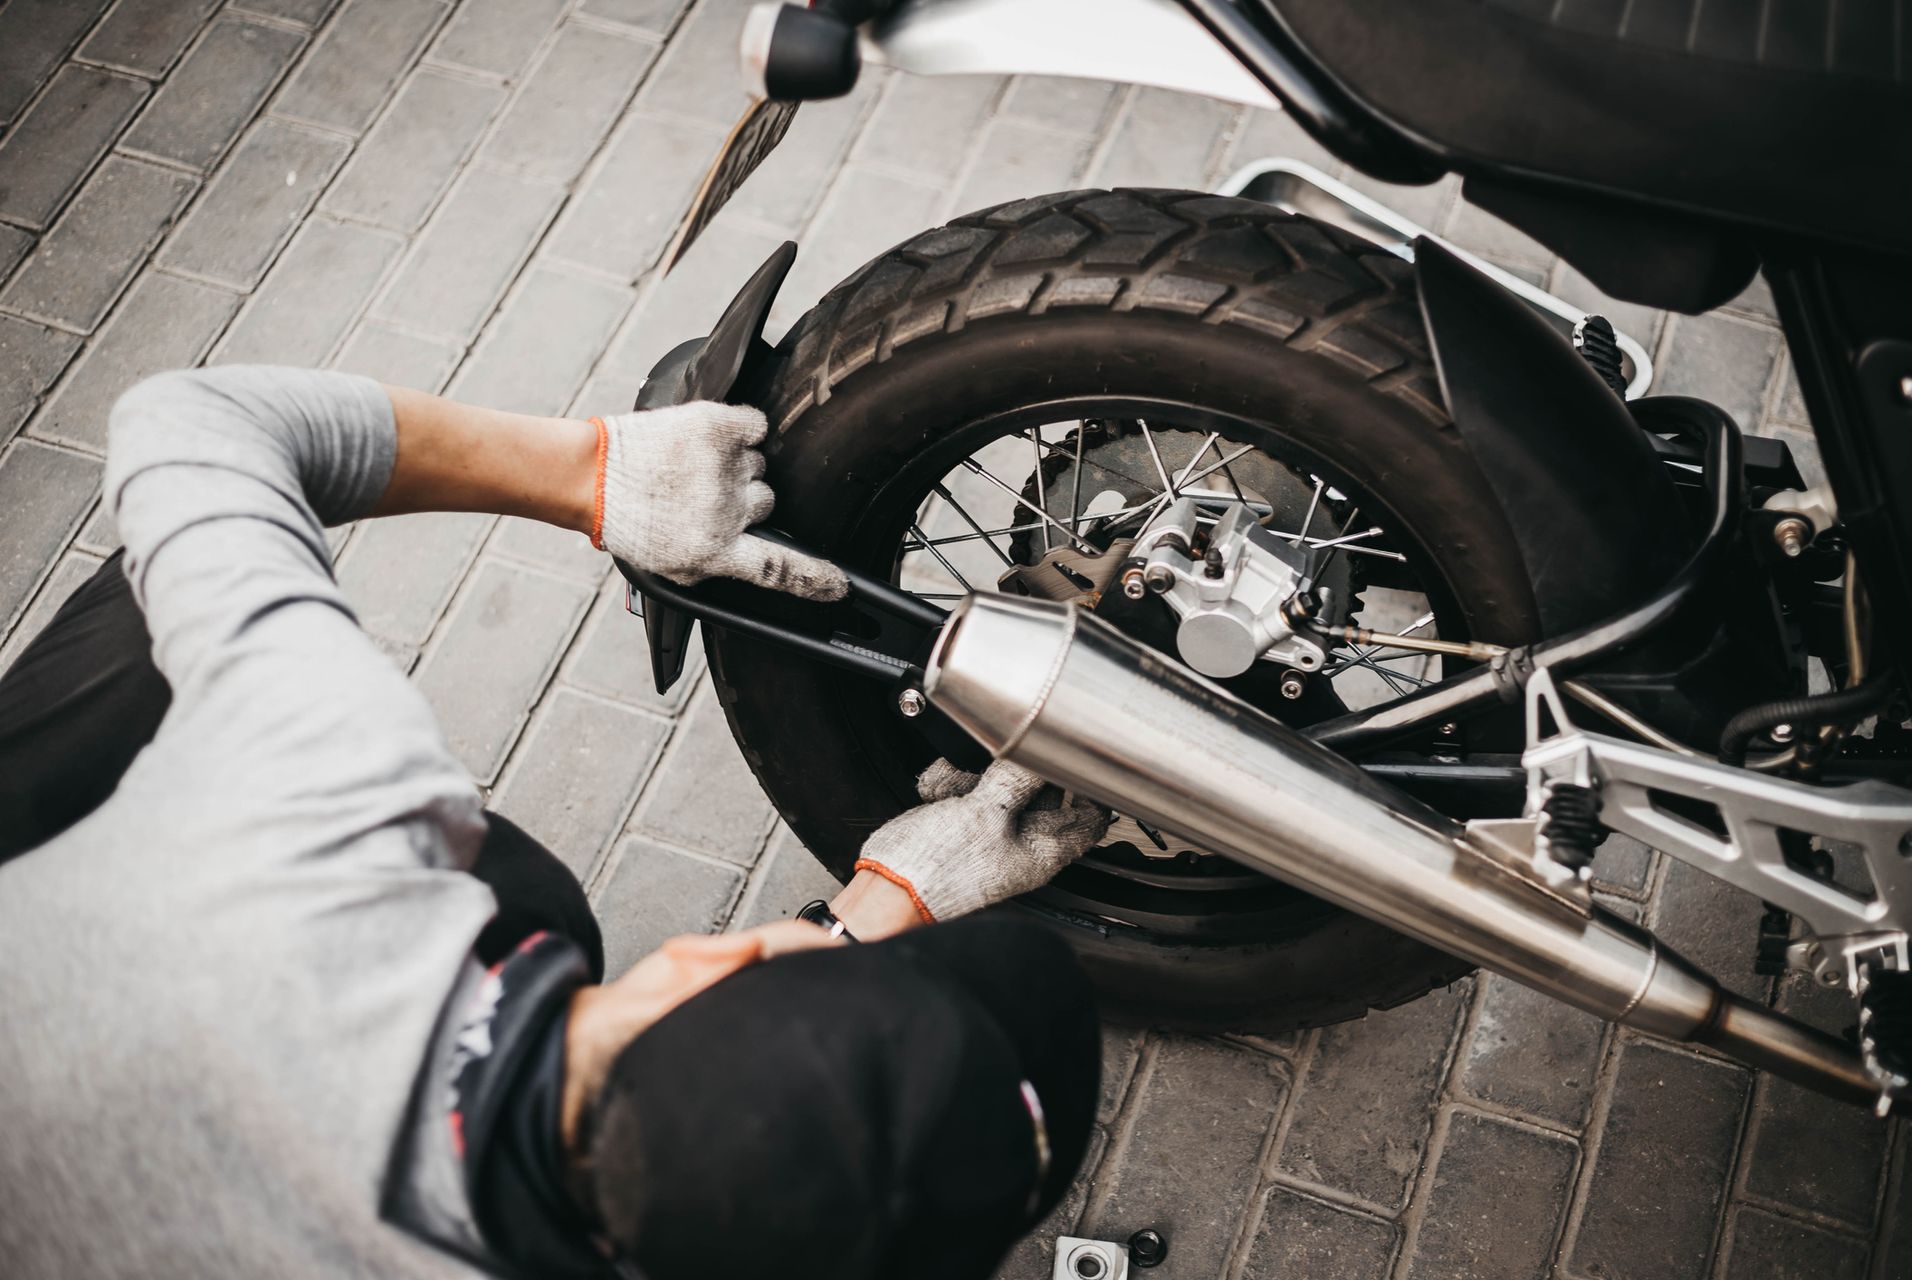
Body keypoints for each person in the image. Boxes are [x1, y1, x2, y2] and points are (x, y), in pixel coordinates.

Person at [0, 365, 1114, 1280]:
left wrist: (592, 470)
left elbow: (186, 421)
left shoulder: (324, 806)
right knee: (529, 914)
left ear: (703, 958)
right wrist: (887, 901)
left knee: (172, 617)